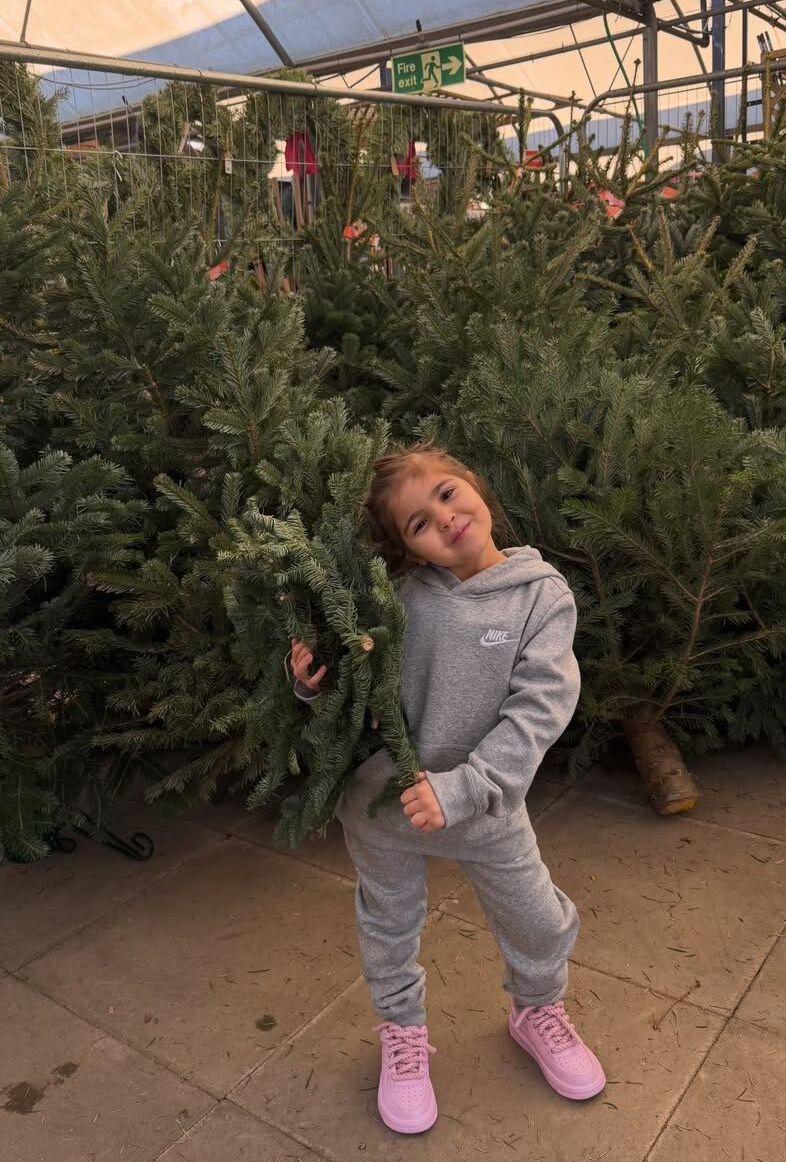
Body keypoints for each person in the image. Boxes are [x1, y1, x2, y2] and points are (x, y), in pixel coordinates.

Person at [287, 443, 605, 1135]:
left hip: (486, 806)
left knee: (537, 918)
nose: (444, 517)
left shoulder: (540, 597)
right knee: (389, 926)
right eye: (418, 522)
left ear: (475, 485)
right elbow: (357, 698)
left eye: (447, 492)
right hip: (384, 806)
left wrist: (465, 788)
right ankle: (402, 1036)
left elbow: (539, 710)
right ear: (409, 550)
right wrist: (313, 683)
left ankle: (536, 1009)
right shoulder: (396, 599)